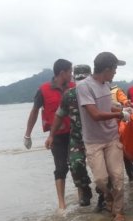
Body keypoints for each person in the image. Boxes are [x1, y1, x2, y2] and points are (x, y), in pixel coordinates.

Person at [76, 51, 130, 221]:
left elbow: (108, 106)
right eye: (114, 69)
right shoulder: (84, 86)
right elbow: (95, 114)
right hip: (93, 142)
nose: (115, 72)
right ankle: (108, 198)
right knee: (100, 179)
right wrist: (120, 115)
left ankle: (118, 211)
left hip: (112, 137)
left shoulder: (106, 85)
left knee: (117, 176)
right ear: (106, 69)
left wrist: (125, 111)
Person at [23, 59, 75, 211]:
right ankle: (61, 203)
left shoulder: (74, 87)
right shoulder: (43, 90)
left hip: (74, 133)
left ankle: (82, 199)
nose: (71, 74)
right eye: (70, 71)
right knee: (61, 168)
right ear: (62, 73)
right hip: (56, 136)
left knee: (78, 166)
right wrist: (27, 135)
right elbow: (34, 111)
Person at [44, 64, 93, 207]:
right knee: (75, 165)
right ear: (75, 79)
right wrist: (51, 135)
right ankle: (85, 189)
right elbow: (59, 116)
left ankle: (104, 195)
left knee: (103, 170)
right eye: (79, 79)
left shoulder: (98, 91)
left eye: (85, 79)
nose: (82, 83)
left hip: (97, 137)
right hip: (77, 137)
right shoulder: (69, 95)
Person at [109, 84, 133, 181]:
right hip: (104, 131)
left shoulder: (116, 91)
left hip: (118, 127)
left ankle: (131, 177)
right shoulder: (92, 91)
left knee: (125, 154)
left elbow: (123, 99)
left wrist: (126, 102)